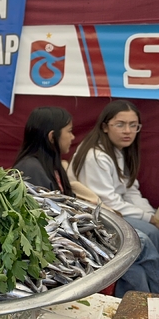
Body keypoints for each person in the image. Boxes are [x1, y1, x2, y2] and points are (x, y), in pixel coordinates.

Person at [15, 105, 159, 298]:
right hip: (67, 243)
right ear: (52, 137)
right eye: (69, 132)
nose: (73, 137)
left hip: (78, 233)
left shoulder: (51, 165)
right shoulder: (31, 168)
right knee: (142, 240)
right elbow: (47, 222)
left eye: (133, 125)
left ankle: (143, 306)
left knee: (136, 271)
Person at [68, 100, 159, 248]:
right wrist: (149, 218)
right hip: (98, 216)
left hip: (116, 210)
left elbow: (130, 190)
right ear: (105, 127)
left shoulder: (119, 150)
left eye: (133, 125)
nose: (128, 131)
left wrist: (150, 214)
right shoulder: (95, 156)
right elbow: (107, 201)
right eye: (120, 124)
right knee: (151, 232)